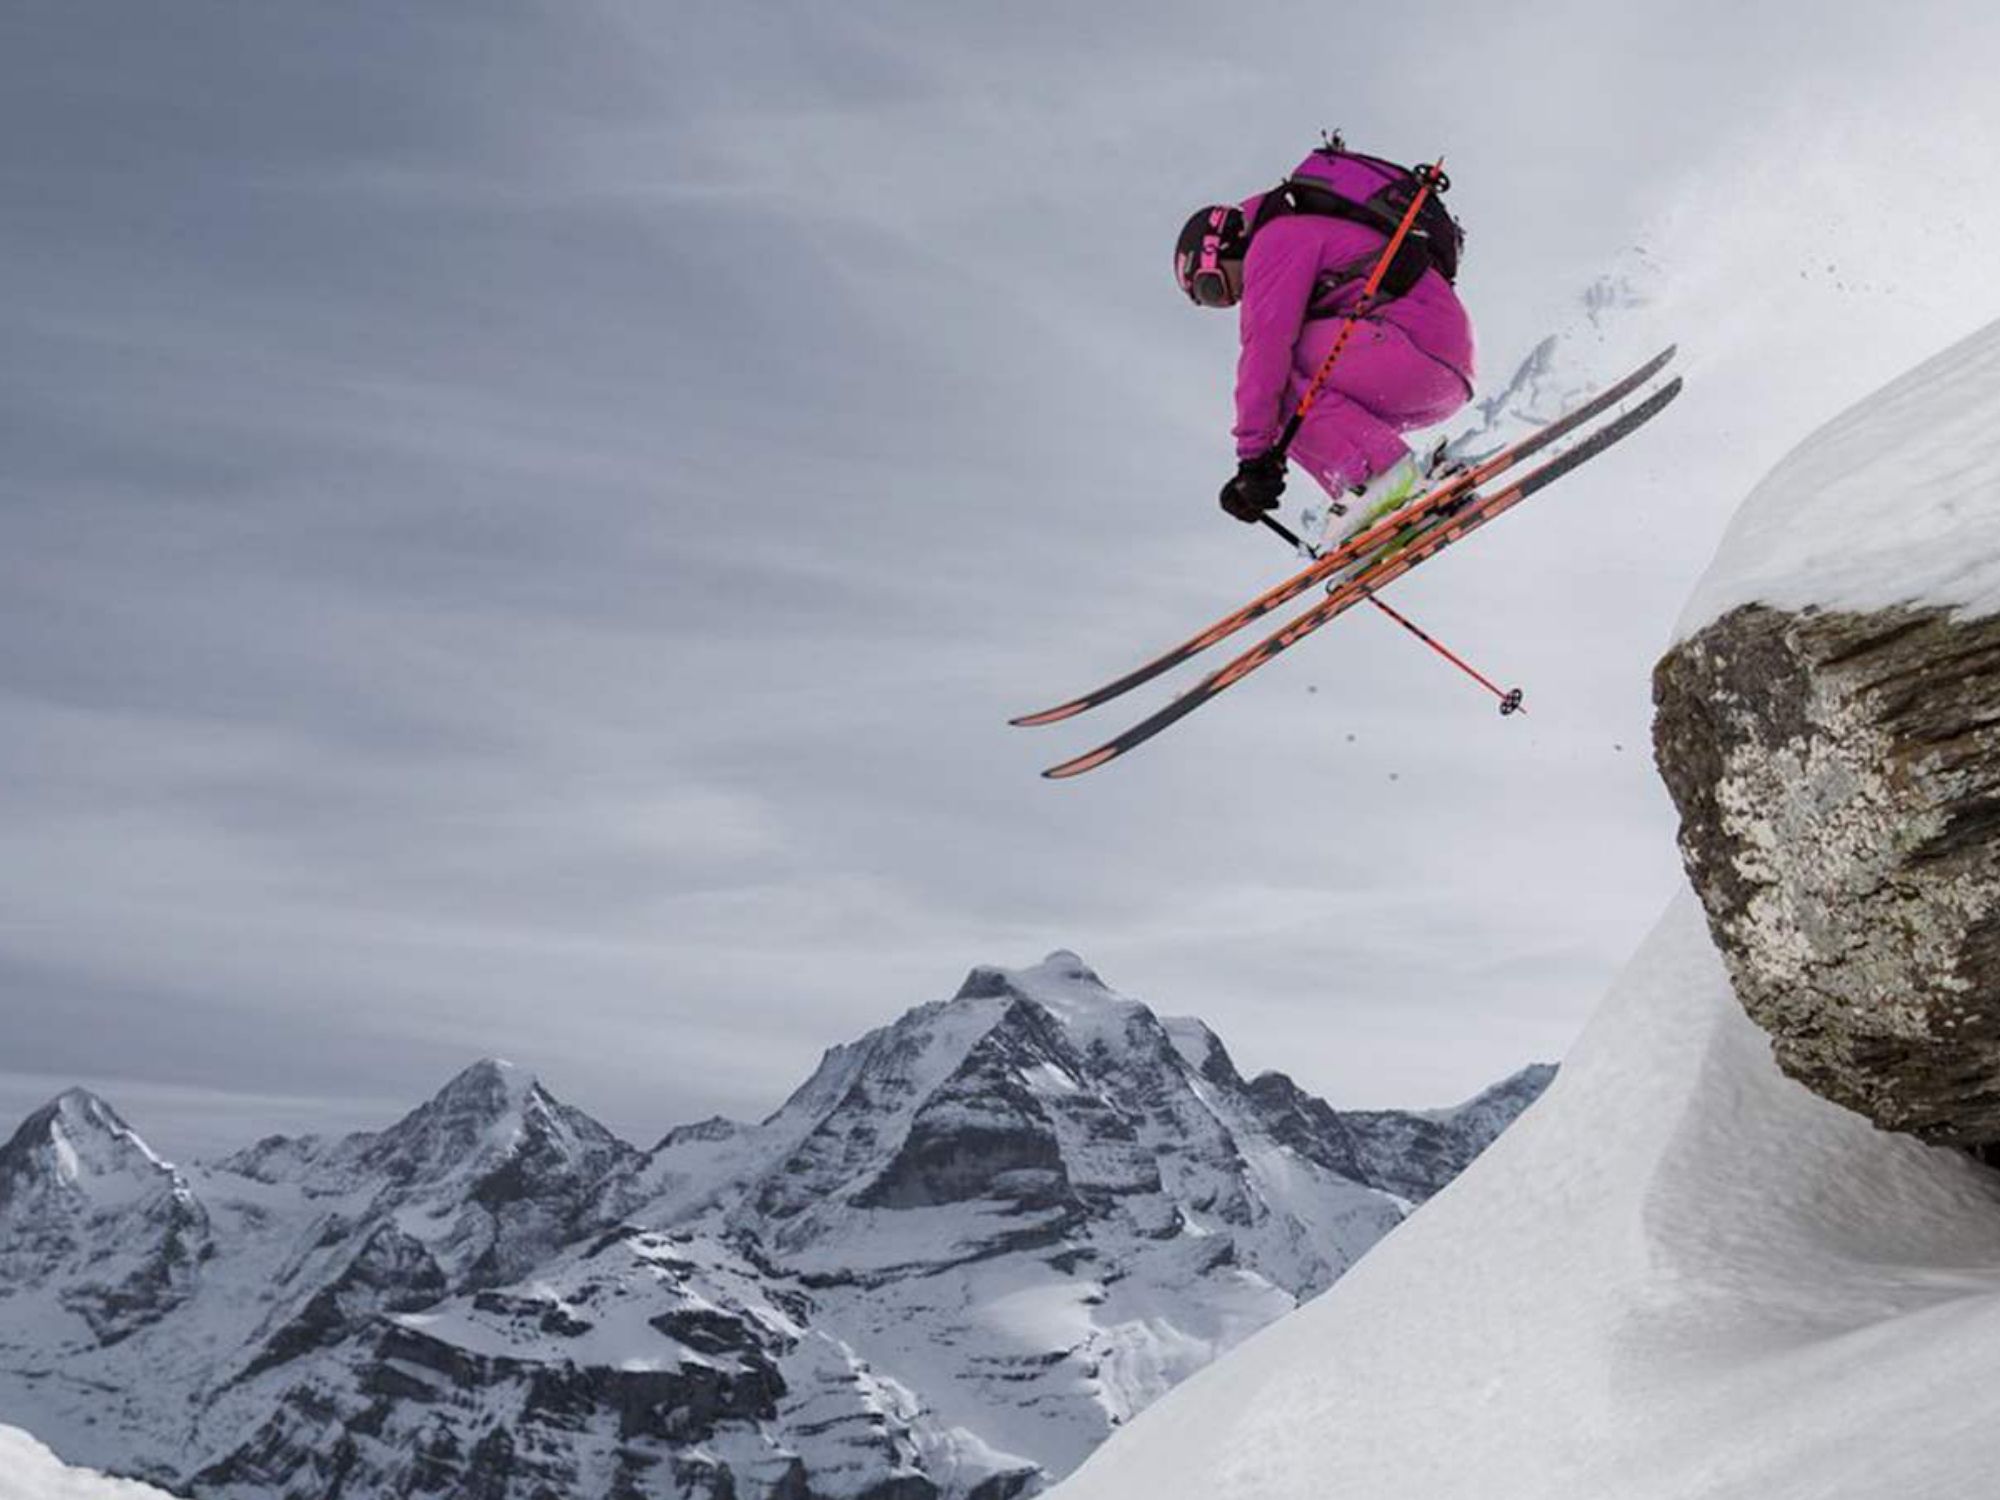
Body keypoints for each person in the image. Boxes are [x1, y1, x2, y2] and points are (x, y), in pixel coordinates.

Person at [1174, 140, 1477, 544]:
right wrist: (1267, 462)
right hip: (1437, 370)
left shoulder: (1275, 240)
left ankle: (1383, 477)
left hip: (1415, 348)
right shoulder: (1294, 237)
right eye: (1213, 300)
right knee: (1277, 407)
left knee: (1274, 379)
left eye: (1214, 287)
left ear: (1223, 246)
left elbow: (1264, 351)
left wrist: (1252, 459)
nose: (1232, 299)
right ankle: (1377, 493)